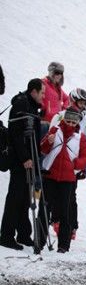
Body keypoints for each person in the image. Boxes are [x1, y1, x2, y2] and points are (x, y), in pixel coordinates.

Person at [0, 79, 47, 251]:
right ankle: (6, 236)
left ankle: (23, 234)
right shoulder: (21, 104)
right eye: (42, 92)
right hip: (20, 160)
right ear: (33, 91)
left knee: (26, 198)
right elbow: (16, 135)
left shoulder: (31, 106)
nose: (43, 96)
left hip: (29, 159)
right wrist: (25, 158)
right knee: (15, 197)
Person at [39, 108, 86, 253]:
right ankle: (40, 241)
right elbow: (43, 149)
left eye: (74, 122)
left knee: (65, 213)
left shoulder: (80, 137)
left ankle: (63, 246)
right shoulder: (54, 130)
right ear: (64, 120)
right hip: (50, 175)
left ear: (77, 122)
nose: (70, 124)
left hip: (68, 179)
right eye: (68, 121)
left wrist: (76, 164)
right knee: (44, 210)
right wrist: (48, 142)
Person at [49, 87, 86, 241]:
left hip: (73, 165)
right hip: (57, 162)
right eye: (81, 102)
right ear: (73, 101)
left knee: (71, 196)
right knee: (56, 195)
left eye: (85, 103)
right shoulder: (59, 116)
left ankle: (72, 225)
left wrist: (83, 166)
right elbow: (51, 135)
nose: (83, 106)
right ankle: (56, 220)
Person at [40, 62, 70, 136]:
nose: (59, 75)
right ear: (51, 72)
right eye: (57, 73)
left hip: (55, 123)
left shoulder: (58, 88)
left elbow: (67, 99)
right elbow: (33, 94)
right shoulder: (43, 83)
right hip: (44, 123)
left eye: (61, 73)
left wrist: (63, 111)